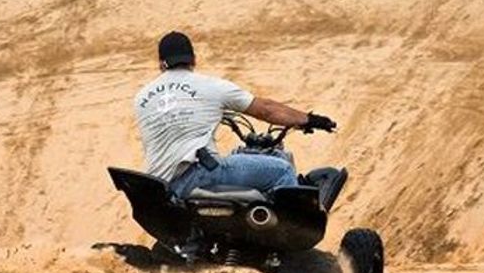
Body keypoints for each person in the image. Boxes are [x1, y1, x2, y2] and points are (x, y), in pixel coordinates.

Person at [134, 31, 337, 199]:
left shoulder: (141, 97)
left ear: (161, 63)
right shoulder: (210, 86)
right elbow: (266, 109)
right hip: (200, 175)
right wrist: (310, 120)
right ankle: (294, 232)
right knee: (282, 170)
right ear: (193, 60)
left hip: (160, 185)